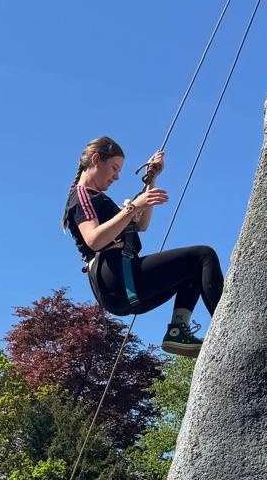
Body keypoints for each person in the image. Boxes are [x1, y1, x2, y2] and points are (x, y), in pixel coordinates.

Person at [62, 135, 224, 358]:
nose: (117, 176)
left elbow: (142, 225)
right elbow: (94, 239)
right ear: (96, 159)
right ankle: (228, 326)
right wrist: (131, 209)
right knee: (203, 256)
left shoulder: (99, 199)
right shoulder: (81, 195)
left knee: (193, 269)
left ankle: (177, 330)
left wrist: (151, 179)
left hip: (120, 282)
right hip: (116, 276)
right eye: (114, 168)